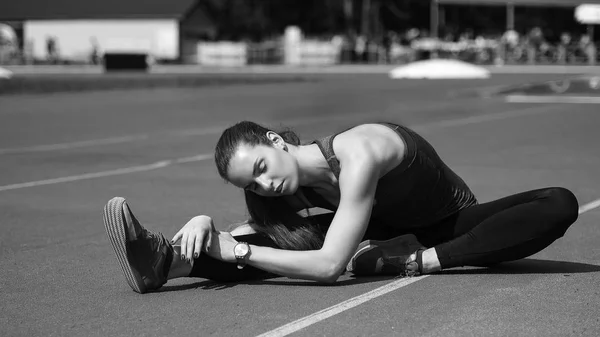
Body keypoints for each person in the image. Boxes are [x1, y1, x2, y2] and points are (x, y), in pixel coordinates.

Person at [103, 121, 579, 294]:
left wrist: (239, 253)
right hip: (378, 225)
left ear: (276, 140)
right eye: (253, 183)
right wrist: (205, 225)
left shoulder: (360, 152)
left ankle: (416, 259)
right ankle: (163, 260)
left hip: (450, 226)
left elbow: (330, 266)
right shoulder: (283, 189)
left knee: (558, 203)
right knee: (265, 244)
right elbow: (254, 231)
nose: (266, 184)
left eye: (263, 166)